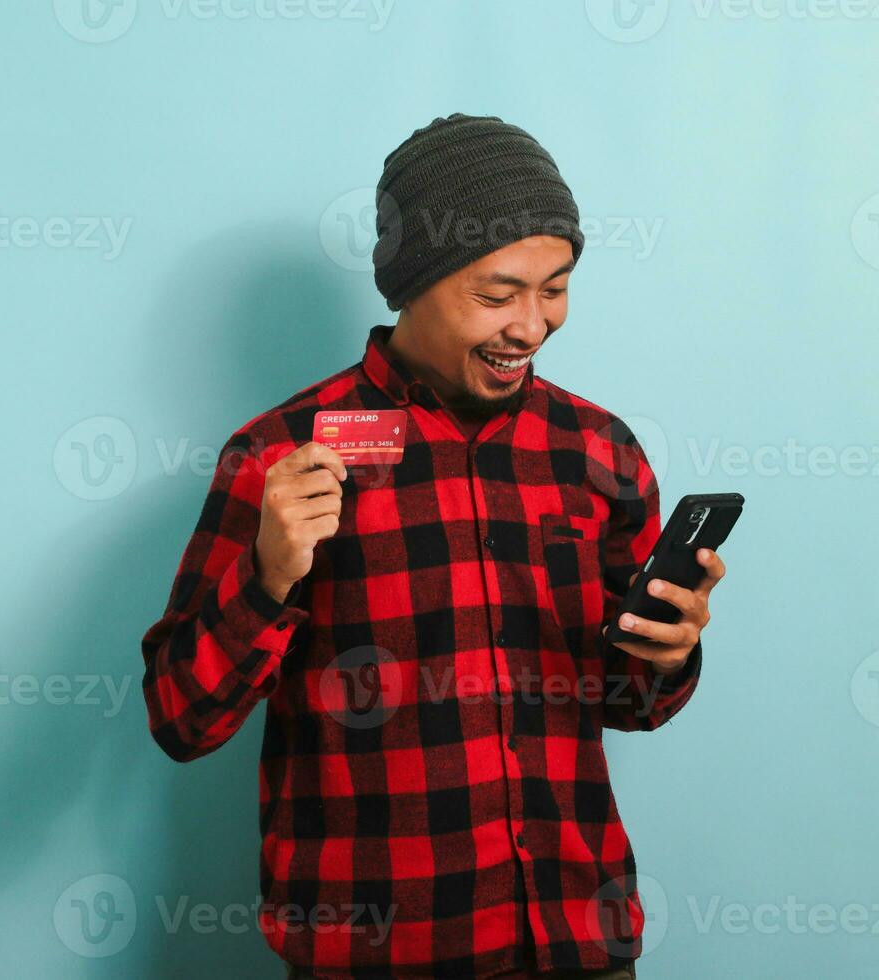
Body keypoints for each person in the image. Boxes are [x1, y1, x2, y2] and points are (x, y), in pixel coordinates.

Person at [141, 112, 727, 980]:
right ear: (412, 281)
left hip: (577, 940)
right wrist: (268, 579)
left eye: (555, 287)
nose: (531, 325)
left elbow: (629, 702)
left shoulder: (597, 450)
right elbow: (180, 721)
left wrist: (672, 653)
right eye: (498, 294)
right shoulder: (280, 454)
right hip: (378, 955)